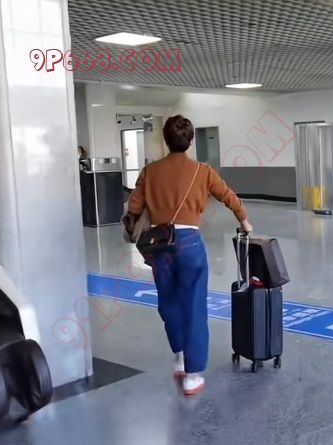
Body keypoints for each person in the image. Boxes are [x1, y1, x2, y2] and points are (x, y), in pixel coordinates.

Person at [126, 115, 252, 396]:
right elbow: (228, 196)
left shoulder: (150, 171)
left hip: (159, 245)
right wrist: (244, 221)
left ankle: (180, 355)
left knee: (168, 301)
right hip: (189, 244)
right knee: (194, 305)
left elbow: (134, 206)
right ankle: (192, 376)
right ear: (191, 141)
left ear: (165, 140)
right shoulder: (202, 171)